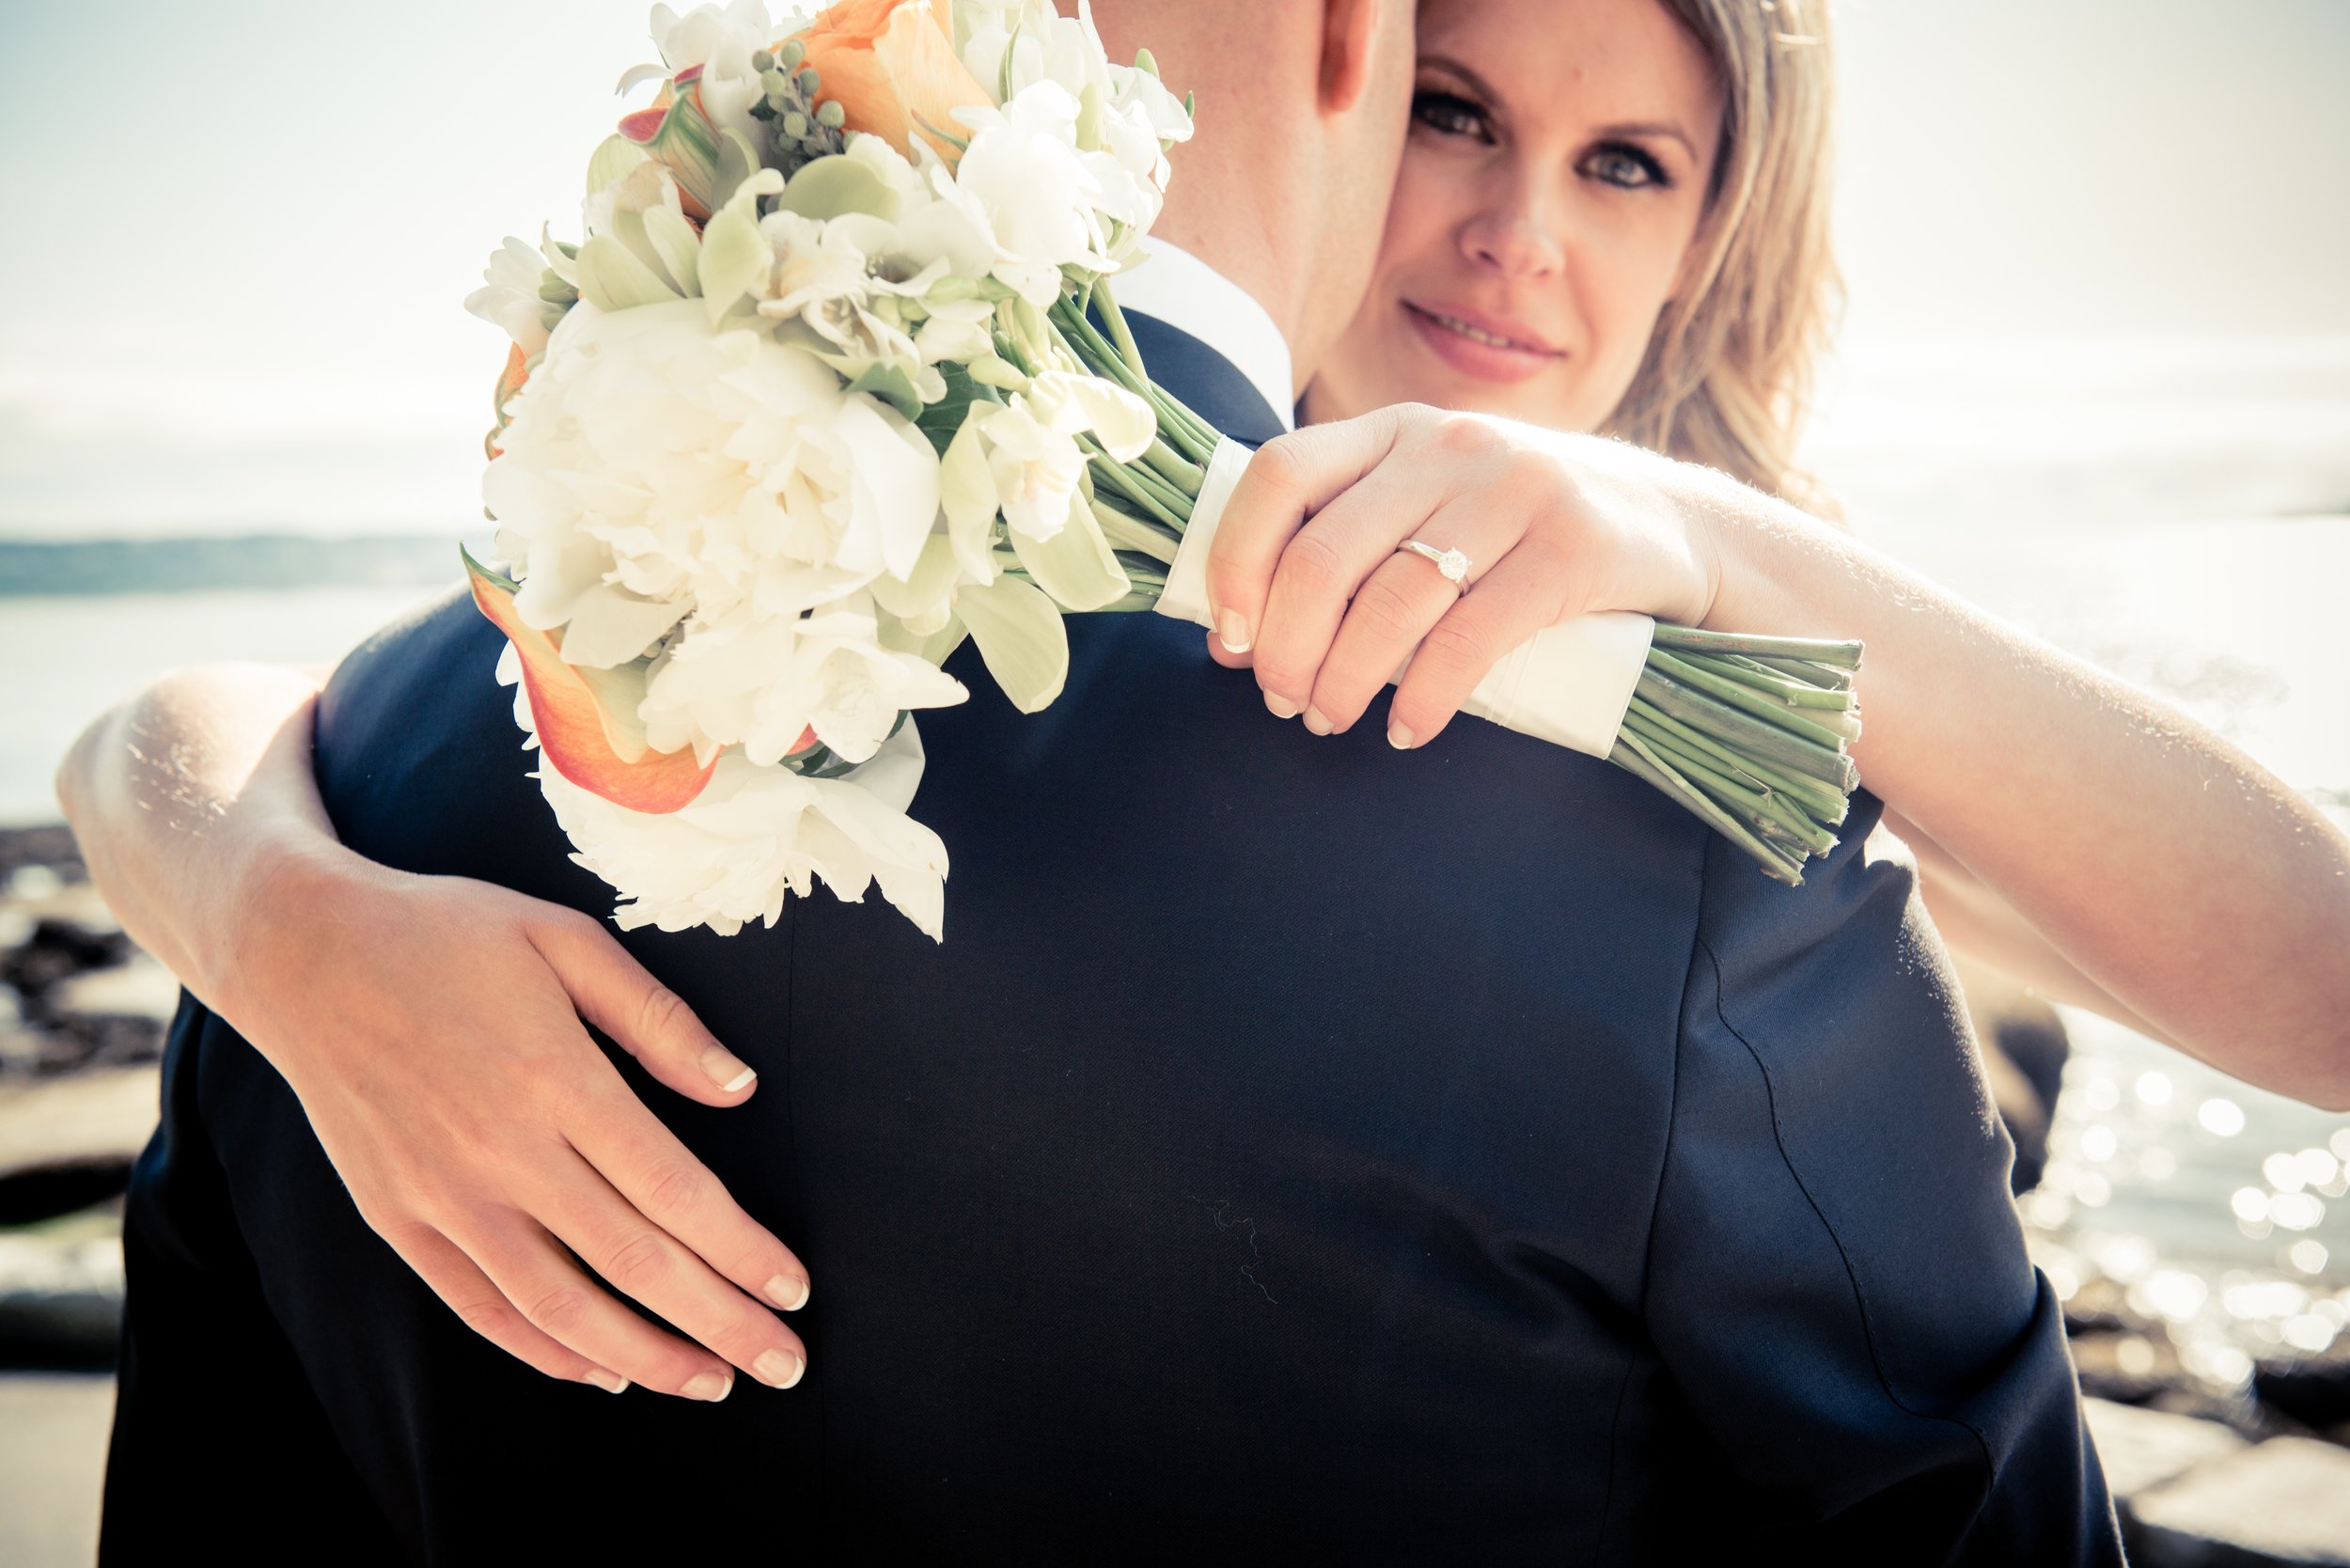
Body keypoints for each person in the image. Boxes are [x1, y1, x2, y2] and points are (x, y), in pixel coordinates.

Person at [68, 0, 2135, 1559]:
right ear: (1344, 57)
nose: (1512, 238)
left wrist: (247, 876)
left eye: (1625, 165)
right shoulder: (1688, 854)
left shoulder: (381, 764)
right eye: (1451, 108)